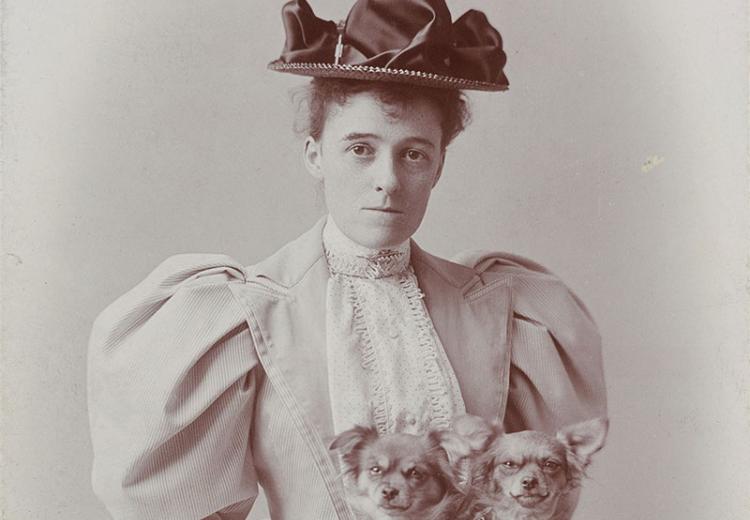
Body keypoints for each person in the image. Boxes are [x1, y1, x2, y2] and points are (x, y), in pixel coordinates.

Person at [87, 1, 607, 519]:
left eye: (414, 154)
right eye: (360, 149)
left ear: (439, 166)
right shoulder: (239, 313)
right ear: (315, 154)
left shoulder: (507, 308)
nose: (388, 179)